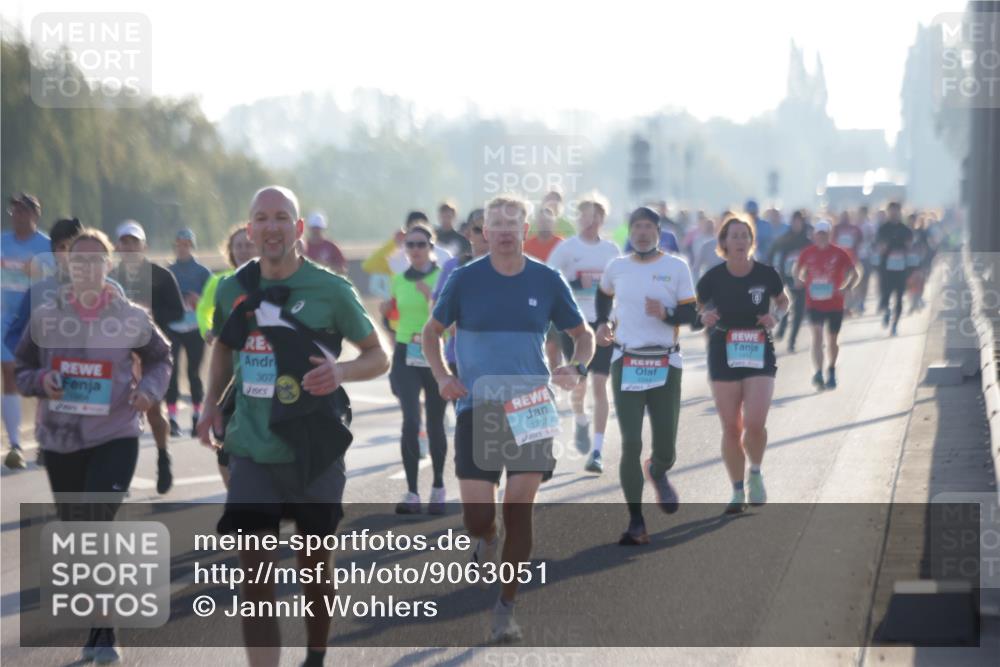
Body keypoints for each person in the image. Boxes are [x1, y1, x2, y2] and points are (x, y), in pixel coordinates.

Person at [196, 186, 389, 667]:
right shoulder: (231, 287)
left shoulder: (331, 290)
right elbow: (223, 343)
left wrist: (341, 372)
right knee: (255, 579)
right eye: (261, 218)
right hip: (252, 447)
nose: (271, 227)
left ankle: (316, 657)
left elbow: (378, 354)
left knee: (314, 571)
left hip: (313, 448)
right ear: (250, 229)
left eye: (282, 217)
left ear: (298, 229)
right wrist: (209, 404)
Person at [422, 194, 593, 644]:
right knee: (479, 517)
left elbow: (582, 334)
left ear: (523, 230)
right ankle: (486, 533)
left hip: (531, 403)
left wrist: (576, 366)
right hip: (478, 404)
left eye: (510, 224)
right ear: (483, 231)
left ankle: (506, 606)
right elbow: (431, 333)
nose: (501, 231)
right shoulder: (464, 280)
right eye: (492, 224)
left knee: (520, 509)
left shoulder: (547, 279)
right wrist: (442, 376)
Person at [15, 228, 172, 663]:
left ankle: (106, 632)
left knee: (94, 521)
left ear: (108, 266)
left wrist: (150, 392)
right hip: (61, 439)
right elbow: (24, 366)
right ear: (67, 266)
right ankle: (97, 625)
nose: (86, 267)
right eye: (77, 260)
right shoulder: (47, 316)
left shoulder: (131, 316)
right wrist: (40, 382)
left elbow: (161, 357)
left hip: (116, 434)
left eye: (95, 260)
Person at [595, 207, 698, 545]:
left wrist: (666, 313)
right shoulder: (617, 267)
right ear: (631, 231)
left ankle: (657, 469)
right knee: (630, 442)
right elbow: (604, 298)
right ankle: (636, 520)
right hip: (626, 361)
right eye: (636, 226)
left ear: (657, 231)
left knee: (666, 446)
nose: (641, 232)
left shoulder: (676, 266)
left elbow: (691, 314)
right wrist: (603, 325)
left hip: (665, 363)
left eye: (647, 227)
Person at [697, 216, 790, 514]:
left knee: (755, 423)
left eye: (744, 235)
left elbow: (784, 301)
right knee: (730, 427)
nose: (739, 241)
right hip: (723, 350)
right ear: (723, 243)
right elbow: (697, 305)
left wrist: (775, 315)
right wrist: (705, 316)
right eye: (733, 236)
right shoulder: (713, 277)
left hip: (759, 349)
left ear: (751, 242)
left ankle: (756, 472)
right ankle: (737, 490)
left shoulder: (766, 274)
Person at [547, 193, 621, 472]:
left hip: (603, 324)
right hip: (575, 326)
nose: (591, 221)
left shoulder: (611, 250)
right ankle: (580, 419)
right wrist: (573, 282)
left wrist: (616, 320)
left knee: (600, 385)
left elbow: (619, 287)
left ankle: (597, 451)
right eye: (586, 215)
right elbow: (550, 278)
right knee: (580, 383)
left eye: (597, 216)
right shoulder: (567, 248)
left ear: (603, 219)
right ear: (579, 218)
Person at [111, 220, 185, 494]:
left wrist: (149, 317)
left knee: (153, 411)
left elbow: (177, 312)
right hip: (119, 354)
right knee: (118, 412)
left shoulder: (161, 276)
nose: (129, 247)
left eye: (134, 241)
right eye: (124, 241)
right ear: (117, 246)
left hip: (151, 354)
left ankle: (163, 457)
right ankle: (120, 473)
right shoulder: (110, 278)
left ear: (144, 245)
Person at [384, 223, 448, 514]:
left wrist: (429, 297)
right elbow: (389, 316)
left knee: (435, 422)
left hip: (435, 354)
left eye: (421, 244)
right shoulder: (398, 279)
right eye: (410, 245)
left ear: (431, 247)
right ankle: (412, 492)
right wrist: (387, 321)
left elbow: (450, 321)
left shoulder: (443, 277)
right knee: (411, 420)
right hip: (404, 353)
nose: (416, 250)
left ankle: (437, 486)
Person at [195, 224, 258, 487]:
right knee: (224, 446)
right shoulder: (221, 282)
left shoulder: (270, 277)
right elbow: (203, 310)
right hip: (233, 372)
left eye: (247, 245)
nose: (243, 250)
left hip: (263, 373)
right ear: (230, 251)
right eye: (238, 246)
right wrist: (208, 331)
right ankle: (235, 499)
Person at [2, 193, 52, 469]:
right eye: (14, 211)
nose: (17, 215)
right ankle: (15, 445)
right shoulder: (2, 243)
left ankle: (43, 439)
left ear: (35, 214)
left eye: (23, 210)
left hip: (38, 320)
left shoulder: (46, 246)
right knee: (8, 373)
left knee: (42, 380)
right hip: (7, 320)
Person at [795, 219, 860, 390]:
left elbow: (855, 273)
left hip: (835, 303)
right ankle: (818, 372)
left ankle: (831, 369)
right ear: (814, 235)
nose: (821, 238)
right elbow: (797, 270)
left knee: (832, 340)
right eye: (819, 234)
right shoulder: (807, 253)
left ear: (829, 235)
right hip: (814, 302)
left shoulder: (839, 253)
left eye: (824, 234)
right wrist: (799, 281)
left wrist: (846, 287)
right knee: (817, 337)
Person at [165, 228, 213, 438]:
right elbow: (160, 301)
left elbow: (213, 301)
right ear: (175, 246)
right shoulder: (168, 271)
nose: (183, 247)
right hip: (173, 328)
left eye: (186, 243)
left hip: (195, 328)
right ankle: (173, 420)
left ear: (191, 246)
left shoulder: (203, 272)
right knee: (171, 374)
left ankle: (196, 417)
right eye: (179, 243)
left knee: (194, 373)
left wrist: (198, 300)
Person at [432, 209, 489, 377]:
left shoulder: (510, 267)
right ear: (467, 234)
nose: (484, 235)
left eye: (489, 229)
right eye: (478, 230)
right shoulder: (453, 266)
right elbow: (437, 308)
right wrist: (451, 325)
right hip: (460, 358)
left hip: (499, 361)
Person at [524, 206, 566, 372]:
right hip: (533, 300)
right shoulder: (527, 245)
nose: (544, 224)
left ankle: (555, 377)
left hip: (556, 301)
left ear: (554, 222)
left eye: (548, 221)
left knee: (555, 344)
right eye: (541, 221)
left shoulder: (562, 245)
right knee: (543, 343)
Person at [768, 210, 812, 352]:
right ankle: (782, 328)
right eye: (794, 222)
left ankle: (792, 341)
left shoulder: (808, 241)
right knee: (783, 304)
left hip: (801, 279)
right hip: (784, 276)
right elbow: (772, 253)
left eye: (799, 222)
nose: (796, 225)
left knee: (799, 310)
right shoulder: (784, 239)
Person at [876, 202, 913, 336]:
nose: (893, 214)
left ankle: (895, 325)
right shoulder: (883, 228)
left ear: (899, 212)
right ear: (888, 212)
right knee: (885, 295)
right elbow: (880, 247)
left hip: (901, 268)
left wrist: (902, 248)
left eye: (896, 211)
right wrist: (885, 248)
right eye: (891, 211)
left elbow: (910, 247)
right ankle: (886, 311)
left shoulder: (905, 229)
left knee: (899, 297)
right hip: (886, 268)